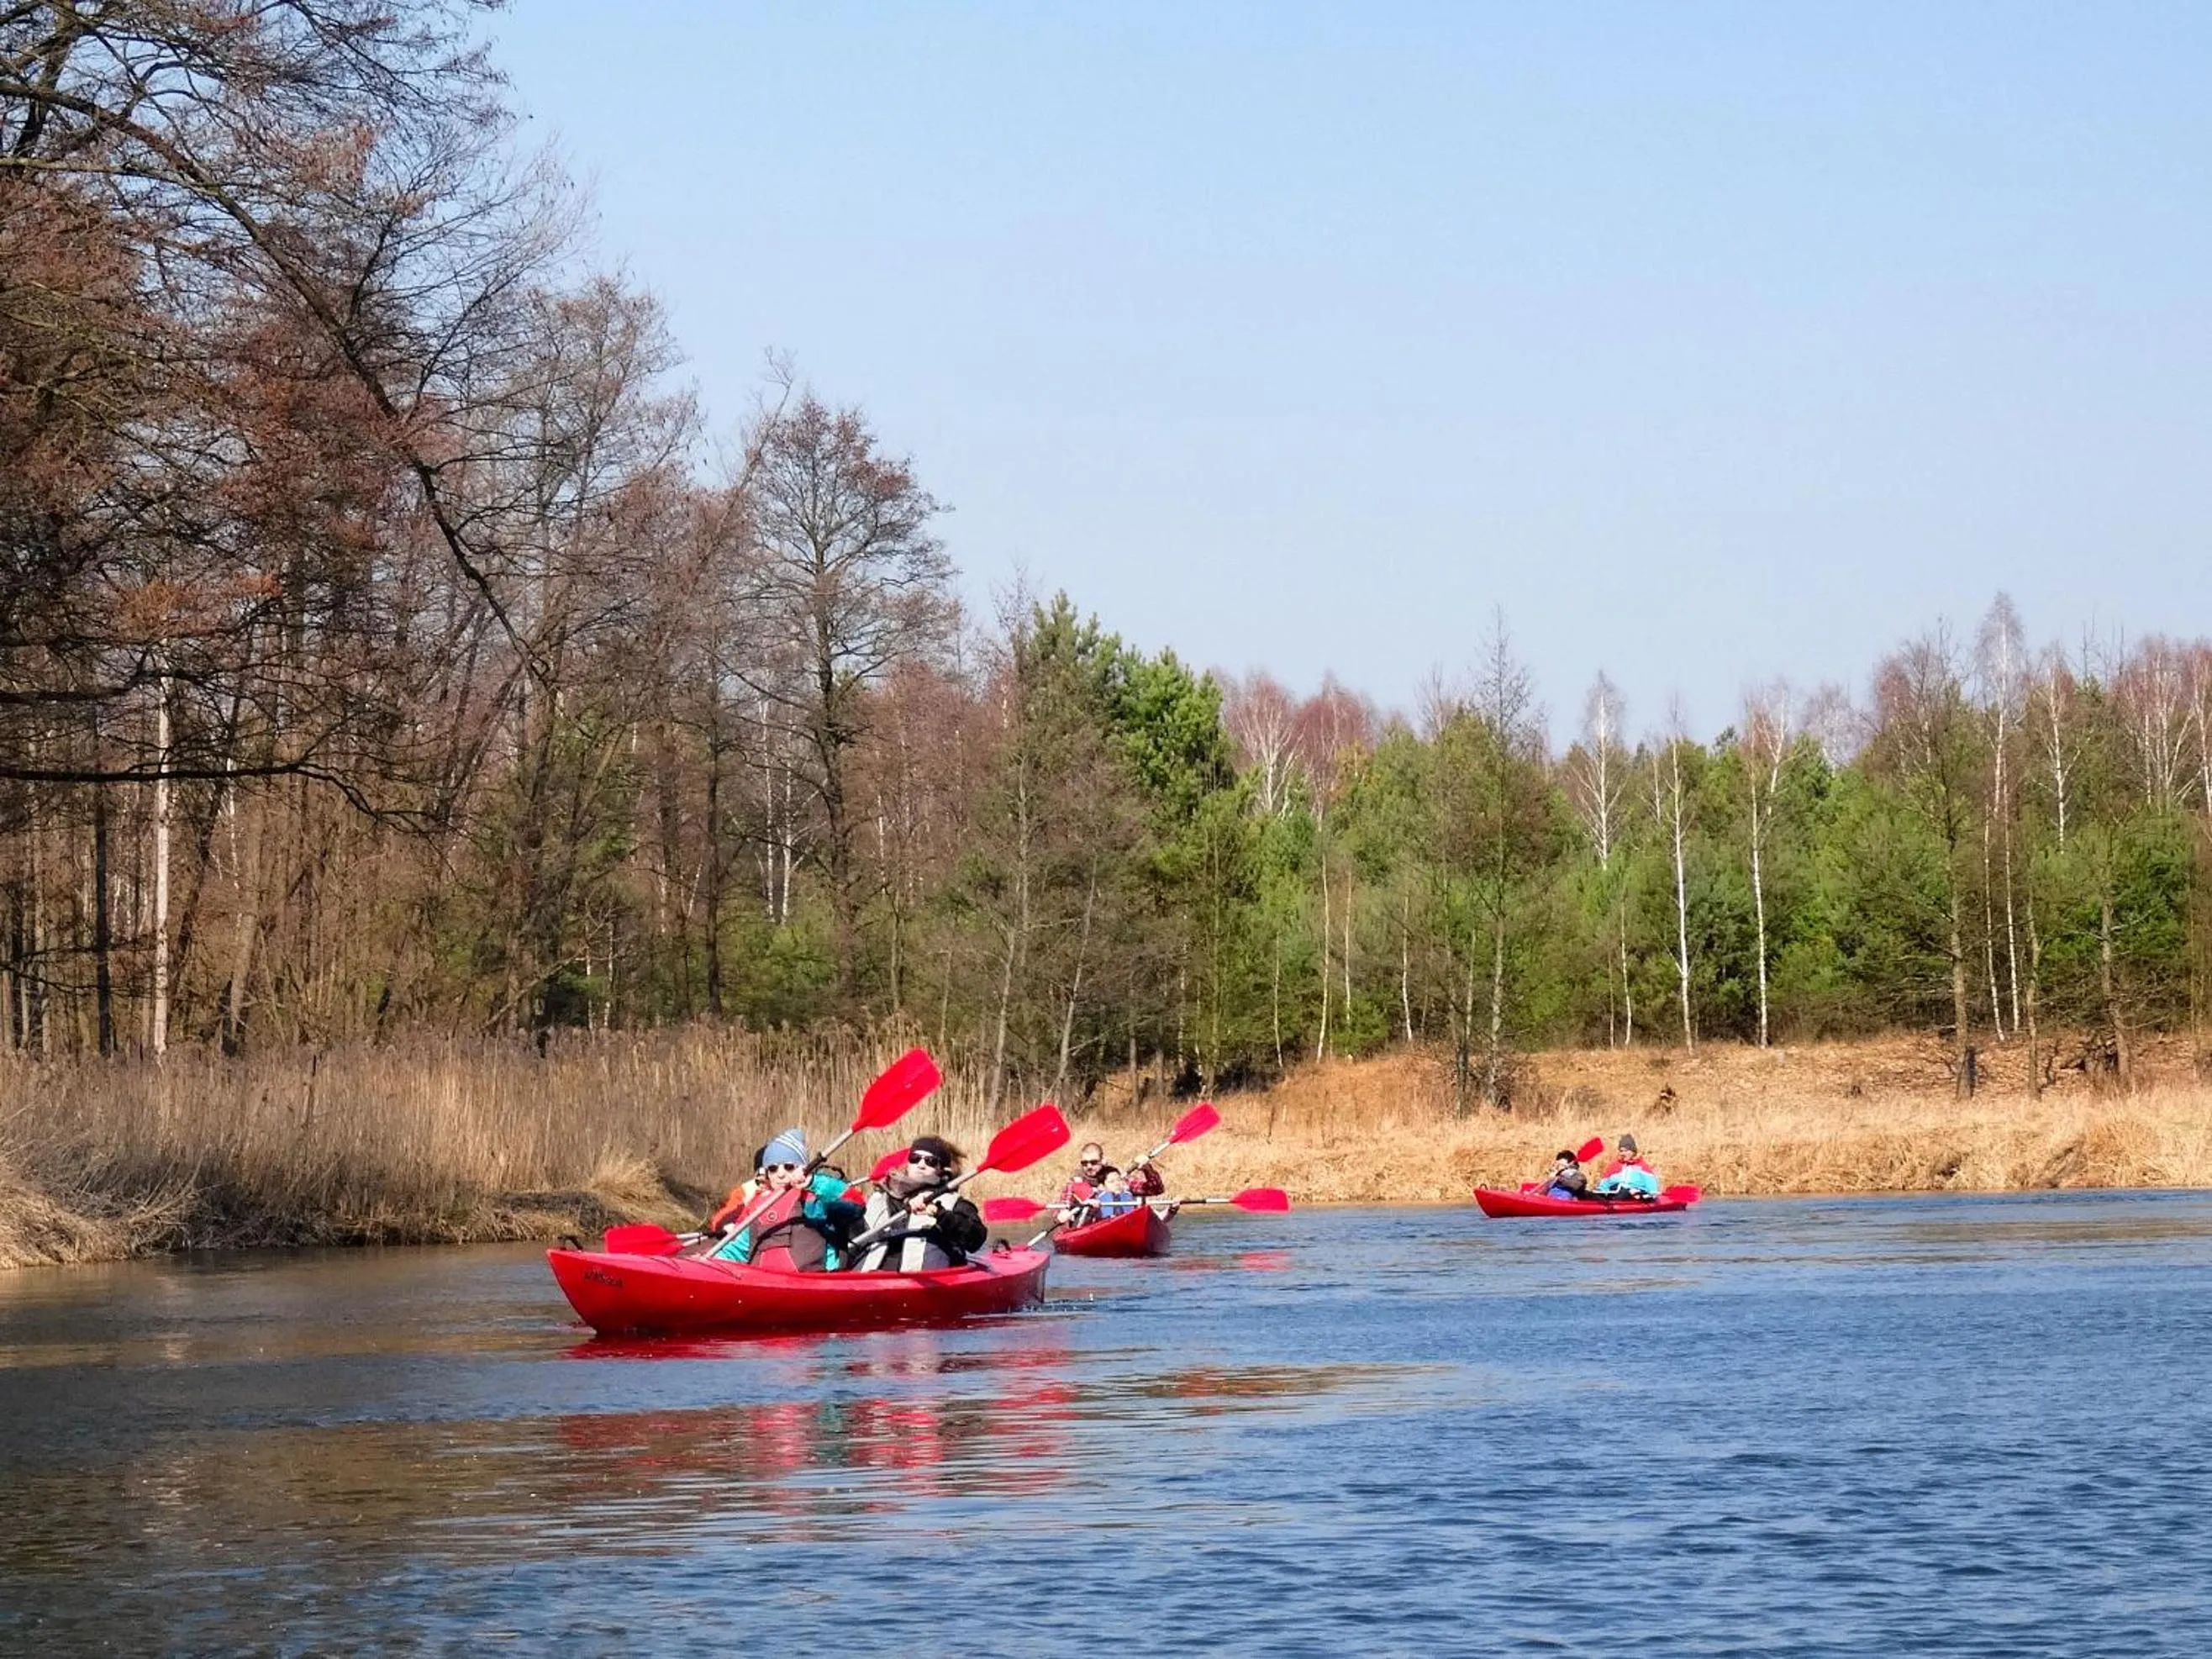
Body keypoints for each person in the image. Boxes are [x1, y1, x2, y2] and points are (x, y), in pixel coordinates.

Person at [709, 1130, 865, 1272]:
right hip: (764, 1283)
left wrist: (813, 1182)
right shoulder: (759, 1205)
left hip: (814, 1282)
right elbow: (739, 1249)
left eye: (789, 1167)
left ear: (803, 1169)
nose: (781, 1174)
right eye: (773, 1168)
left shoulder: (814, 1200)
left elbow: (855, 1205)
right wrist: (709, 1264)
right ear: (767, 1174)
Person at [853, 1135, 988, 1272]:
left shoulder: (952, 1203)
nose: (921, 1165)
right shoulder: (879, 1198)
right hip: (869, 1279)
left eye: (930, 1161)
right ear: (908, 1163)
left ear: (941, 1170)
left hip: (926, 1281)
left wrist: (939, 1214)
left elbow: (976, 1240)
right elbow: (852, 1239)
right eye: (915, 1158)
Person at [1593, 1134, 1662, 1201]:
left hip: (1633, 1197)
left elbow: (1653, 1191)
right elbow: (1603, 1186)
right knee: (1588, 1193)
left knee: (1625, 1192)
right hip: (1615, 1194)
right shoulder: (1614, 1166)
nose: (1623, 1154)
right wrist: (1599, 1193)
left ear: (1633, 1152)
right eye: (1621, 1151)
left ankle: (1613, 1204)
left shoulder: (1643, 1167)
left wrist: (1641, 1195)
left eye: (1626, 1151)